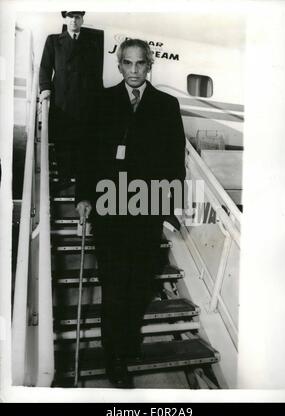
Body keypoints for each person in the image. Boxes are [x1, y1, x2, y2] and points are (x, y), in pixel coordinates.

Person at [76, 39, 186, 388]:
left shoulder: (167, 105)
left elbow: (174, 160)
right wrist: (83, 196)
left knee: (138, 284)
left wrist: (167, 206)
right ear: (119, 65)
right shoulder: (102, 101)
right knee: (114, 285)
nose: (135, 70)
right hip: (109, 209)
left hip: (145, 210)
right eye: (128, 63)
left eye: (141, 63)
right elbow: (88, 154)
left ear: (149, 64)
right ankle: (114, 357)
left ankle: (127, 342)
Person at [39, 11, 103, 184]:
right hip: (62, 100)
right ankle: (64, 177)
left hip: (84, 100)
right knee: (63, 139)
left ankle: (79, 180)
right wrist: (44, 88)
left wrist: (99, 98)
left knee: (82, 140)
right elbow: (45, 67)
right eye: (70, 17)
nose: (73, 20)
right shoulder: (53, 40)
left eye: (77, 17)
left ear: (82, 20)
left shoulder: (91, 43)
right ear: (65, 19)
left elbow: (96, 74)